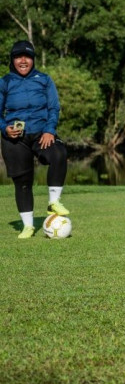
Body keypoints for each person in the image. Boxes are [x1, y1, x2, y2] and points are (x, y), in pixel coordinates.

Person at [0, 40, 69, 239]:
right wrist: (5, 128)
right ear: (12, 60)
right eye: (18, 56)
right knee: (22, 182)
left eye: (27, 56)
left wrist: (49, 130)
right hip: (15, 139)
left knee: (59, 153)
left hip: (41, 134)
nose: (23, 60)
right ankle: (28, 227)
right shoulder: (4, 82)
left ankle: (53, 202)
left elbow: (53, 107)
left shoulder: (44, 80)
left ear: (33, 59)